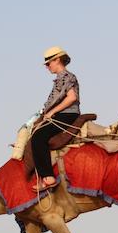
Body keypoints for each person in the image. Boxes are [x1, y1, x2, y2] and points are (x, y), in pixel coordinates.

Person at [30, 45, 81, 191]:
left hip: (67, 114)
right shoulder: (60, 79)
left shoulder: (67, 76)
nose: (47, 67)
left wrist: (52, 112)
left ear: (57, 60)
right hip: (62, 113)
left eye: (48, 63)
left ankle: (48, 177)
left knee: (38, 137)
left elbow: (72, 98)